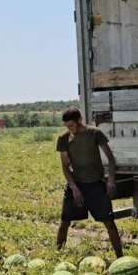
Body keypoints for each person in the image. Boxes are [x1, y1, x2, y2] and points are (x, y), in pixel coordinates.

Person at [55, 107, 123, 257]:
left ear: (80, 120)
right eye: (66, 126)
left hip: (96, 184)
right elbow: (65, 166)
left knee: (109, 223)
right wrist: (74, 188)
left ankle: (120, 257)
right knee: (65, 222)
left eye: (71, 125)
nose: (69, 129)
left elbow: (111, 159)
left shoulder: (95, 134)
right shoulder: (64, 139)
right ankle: (57, 256)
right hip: (76, 185)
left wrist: (111, 181)